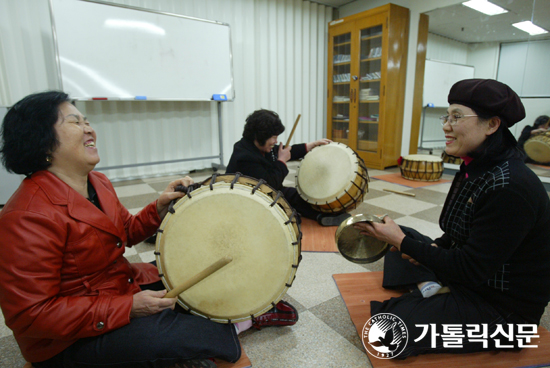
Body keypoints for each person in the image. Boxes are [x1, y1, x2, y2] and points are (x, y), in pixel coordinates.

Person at [0, 91, 291, 368]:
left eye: (86, 120)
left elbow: (124, 231)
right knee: (183, 331)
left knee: (196, 269)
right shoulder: (26, 215)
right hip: (66, 340)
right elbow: (30, 315)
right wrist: (127, 308)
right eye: (75, 122)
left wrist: (159, 208)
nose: (89, 129)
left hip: (118, 286)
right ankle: (235, 324)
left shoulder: (97, 182)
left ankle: (215, 327)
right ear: (42, 141)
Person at [354, 79, 550, 358]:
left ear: (492, 125)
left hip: (504, 310)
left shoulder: (511, 187)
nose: (446, 125)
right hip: (473, 279)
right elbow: (457, 235)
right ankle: (433, 288)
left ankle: (432, 290)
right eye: (448, 116)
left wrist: (410, 246)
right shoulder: (476, 165)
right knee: (402, 236)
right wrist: (421, 246)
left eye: (456, 117)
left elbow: (472, 269)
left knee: (387, 330)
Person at [225, 109, 350, 226]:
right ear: (260, 136)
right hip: (249, 200)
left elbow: (284, 151)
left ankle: (321, 217)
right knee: (286, 211)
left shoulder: (260, 146)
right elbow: (269, 185)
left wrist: (310, 145)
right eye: (273, 137)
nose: (275, 141)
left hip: (265, 193)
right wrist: (282, 161)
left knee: (298, 196)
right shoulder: (245, 156)